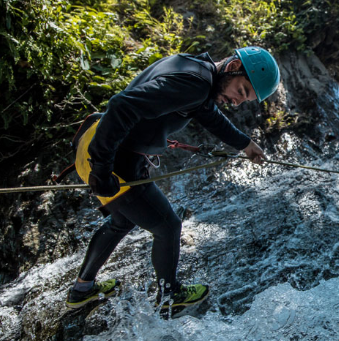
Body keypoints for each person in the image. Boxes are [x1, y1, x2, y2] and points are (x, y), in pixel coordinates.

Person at [65, 46, 280, 310]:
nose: (236, 102)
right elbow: (121, 106)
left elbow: (207, 114)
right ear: (234, 67)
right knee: (168, 226)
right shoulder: (196, 85)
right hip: (114, 162)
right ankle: (169, 297)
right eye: (241, 91)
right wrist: (101, 169)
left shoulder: (196, 69)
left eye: (244, 99)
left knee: (121, 222)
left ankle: (82, 289)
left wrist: (244, 143)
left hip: (98, 147)